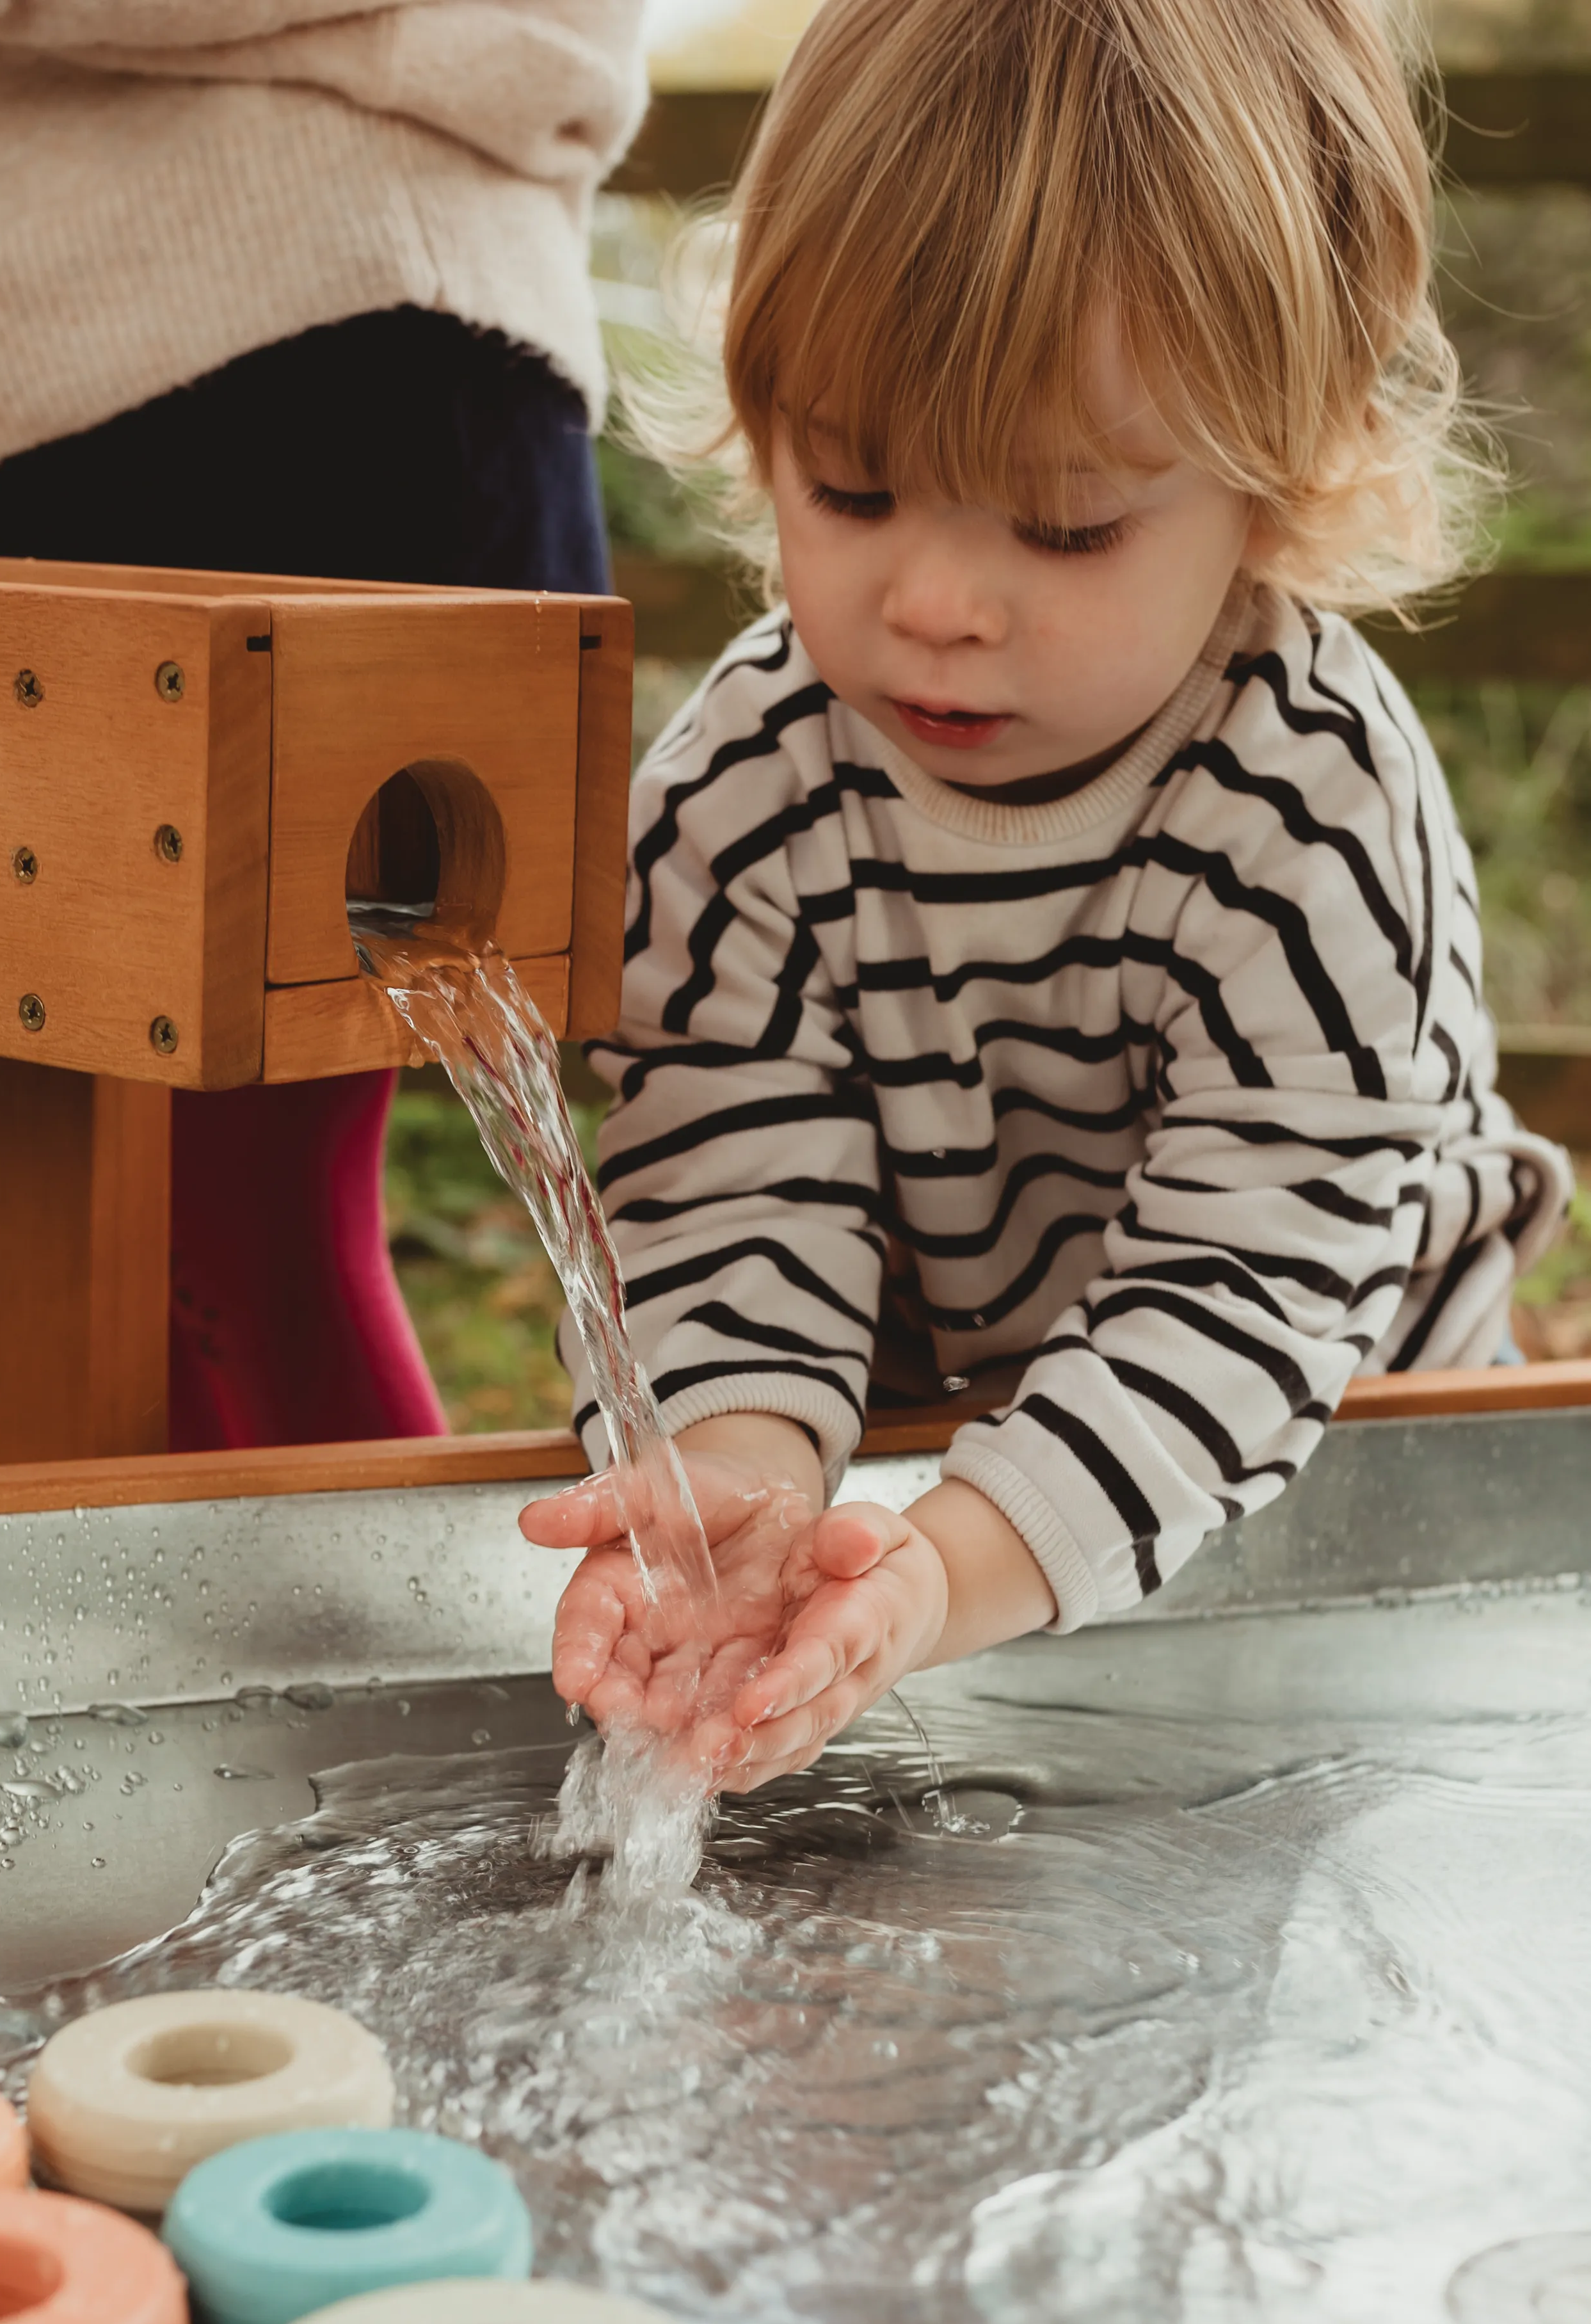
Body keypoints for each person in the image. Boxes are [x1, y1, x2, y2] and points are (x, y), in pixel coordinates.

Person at [520, 0, 1573, 1791]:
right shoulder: (746, 790)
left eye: (1065, 525)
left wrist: (950, 1566)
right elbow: (728, 1178)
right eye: (851, 487)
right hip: (975, 1466)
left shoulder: (1305, 810)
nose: (935, 601)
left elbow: (1246, 1287)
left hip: (1356, 1470)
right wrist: (739, 1471)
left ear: (1278, 478)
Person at [0, 0, 641, 1449]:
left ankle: (441, 1615)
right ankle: (264, 1615)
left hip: (282, 363)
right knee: (126, 1250)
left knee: (227, 1224)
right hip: (204, 387)